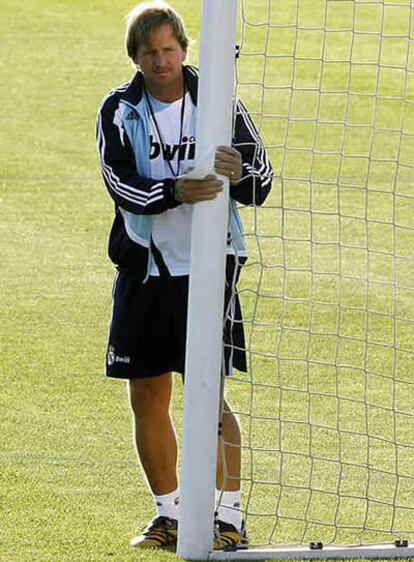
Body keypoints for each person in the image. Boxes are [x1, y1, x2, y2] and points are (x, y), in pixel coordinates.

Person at [96, 0, 273, 551]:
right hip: (145, 271)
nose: (161, 60)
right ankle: (170, 513)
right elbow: (119, 183)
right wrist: (174, 190)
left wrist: (236, 173)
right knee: (147, 393)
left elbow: (262, 181)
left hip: (209, 268)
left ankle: (228, 517)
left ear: (184, 49)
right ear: (137, 57)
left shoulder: (219, 101)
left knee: (209, 395)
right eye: (150, 52)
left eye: (170, 49)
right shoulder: (118, 109)